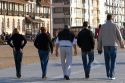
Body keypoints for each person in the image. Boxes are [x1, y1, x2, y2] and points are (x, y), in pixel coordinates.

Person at [97, 14, 125, 80]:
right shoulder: (115, 25)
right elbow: (119, 36)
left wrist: (99, 47)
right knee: (113, 60)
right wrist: (122, 44)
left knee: (107, 60)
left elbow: (99, 37)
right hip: (113, 45)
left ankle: (108, 74)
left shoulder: (103, 26)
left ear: (107, 18)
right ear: (112, 18)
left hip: (105, 45)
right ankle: (112, 75)